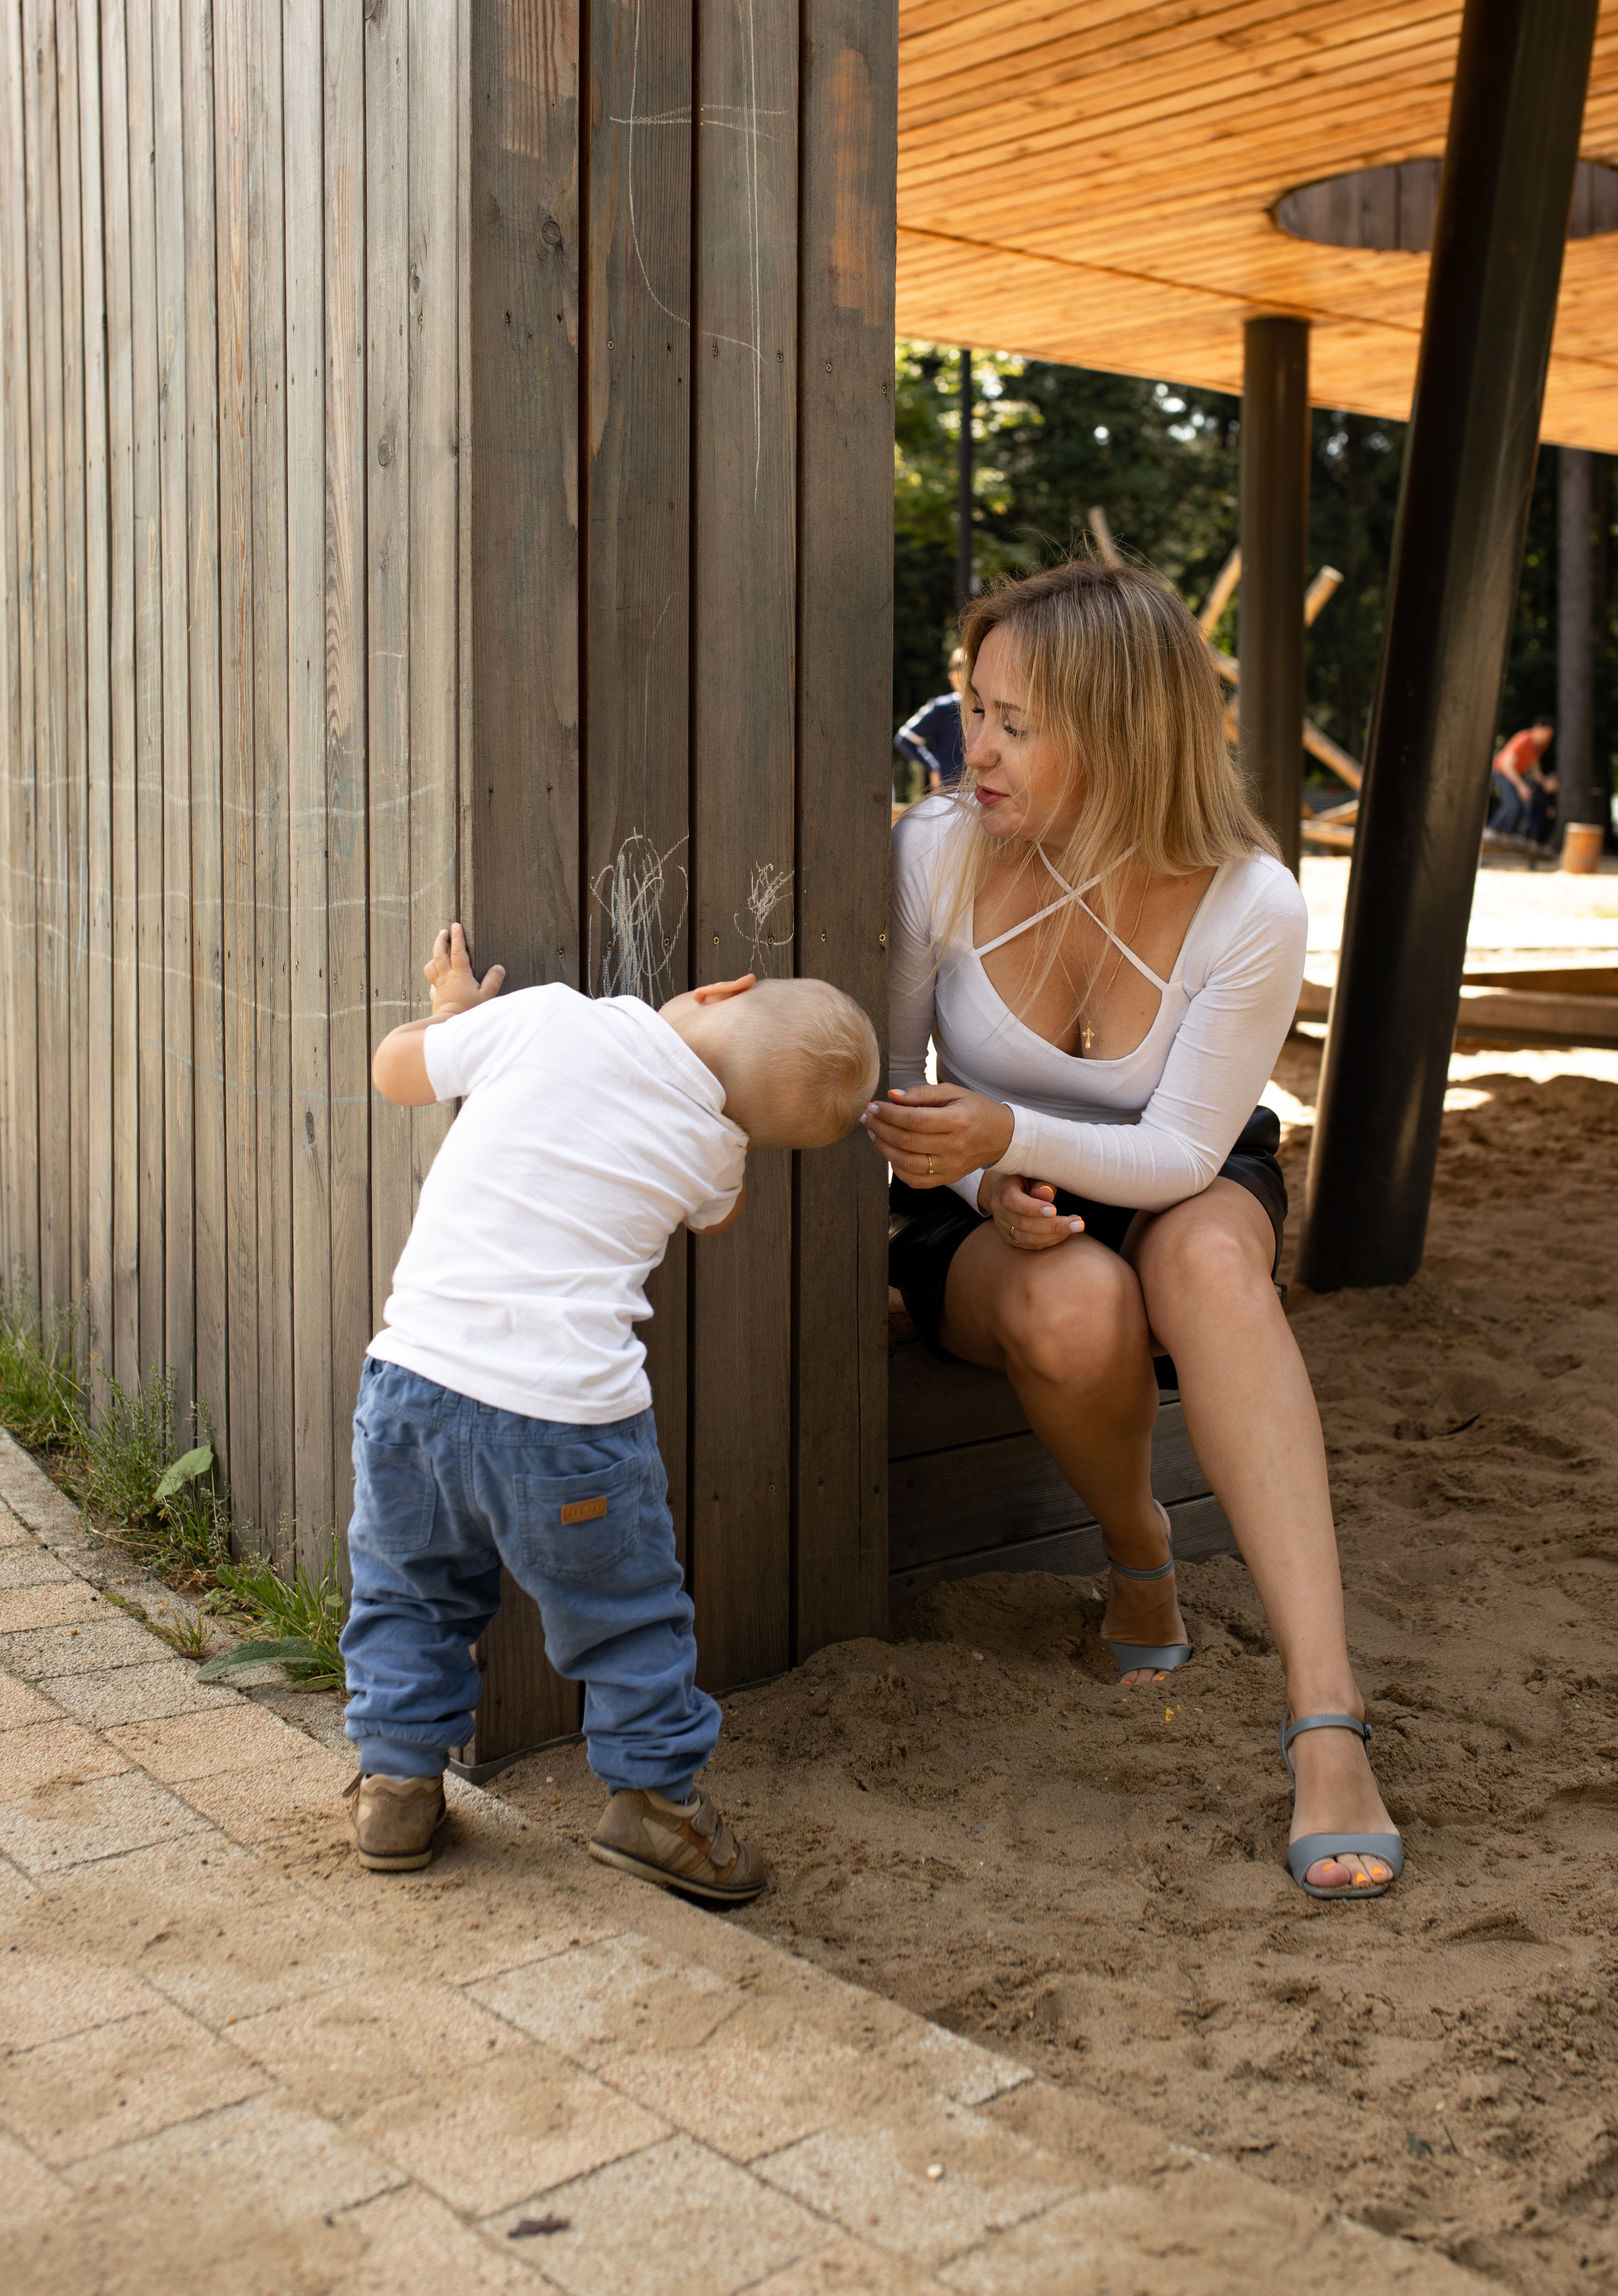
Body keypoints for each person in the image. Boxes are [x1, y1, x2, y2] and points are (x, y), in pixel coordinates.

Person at [866, 560, 1402, 1900]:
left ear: (1114, 728)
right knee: (1072, 1306)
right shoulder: (936, 849)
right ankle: (1137, 1552)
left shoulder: (1248, 903)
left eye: (1012, 724)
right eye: (970, 707)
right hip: (968, 1188)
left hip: (1173, 1163)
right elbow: (890, 1097)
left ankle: (1324, 1721)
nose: (970, 750)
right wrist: (981, 1180)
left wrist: (1011, 1138)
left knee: (1215, 1263)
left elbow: (1175, 1152)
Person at [342, 926, 878, 1898]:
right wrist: (735, 1127)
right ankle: (657, 1810)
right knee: (625, 1619)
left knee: (408, 1591)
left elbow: (396, 1074)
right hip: (571, 1427)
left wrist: (459, 1018)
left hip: (414, 1382)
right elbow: (719, 1212)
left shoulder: (547, 1018)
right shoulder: (715, 1151)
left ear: (721, 988)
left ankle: (397, 1781)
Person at [896, 645, 970, 793]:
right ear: (954, 676)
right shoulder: (943, 708)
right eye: (964, 670)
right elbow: (904, 738)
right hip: (950, 792)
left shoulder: (989, 709)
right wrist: (933, 768)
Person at [1490, 719, 1556, 840]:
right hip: (1502, 772)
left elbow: (1534, 760)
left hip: (1517, 774)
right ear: (1538, 728)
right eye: (1546, 734)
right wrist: (1521, 786)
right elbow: (1506, 765)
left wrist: (1541, 780)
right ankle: (1491, 830)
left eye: (1550, 736)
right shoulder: (1523, 740)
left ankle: (1508, 835)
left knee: (1525, 805)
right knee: (1512, 805)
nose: (1547, 738)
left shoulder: (1541, 744)